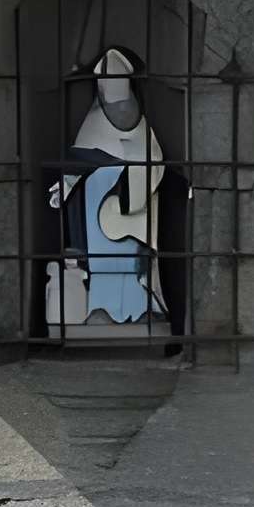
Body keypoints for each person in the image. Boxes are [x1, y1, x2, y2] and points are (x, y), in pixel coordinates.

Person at [44, 47, 168, 332]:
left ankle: (139, 310)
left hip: (125, 203)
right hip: (95, 201)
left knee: (131, 262)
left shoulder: (137, 126)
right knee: (101, 263)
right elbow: (80, 161)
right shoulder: (93, 124)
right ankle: (100, 309)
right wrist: (65, 185)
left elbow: (152, 161)